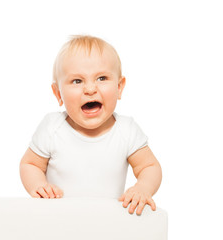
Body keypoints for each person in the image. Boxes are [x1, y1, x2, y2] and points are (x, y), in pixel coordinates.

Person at [20, 35, 162, 215]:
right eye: (77, 81)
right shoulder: (52, 128)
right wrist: (39, 186)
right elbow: (31, 164)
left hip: (107, 222)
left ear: (119, 87)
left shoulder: (126, 130)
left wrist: (143, 188)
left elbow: (149, 167)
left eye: (102, 78)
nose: (90, 89)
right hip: (58, 220)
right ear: (58, 94)